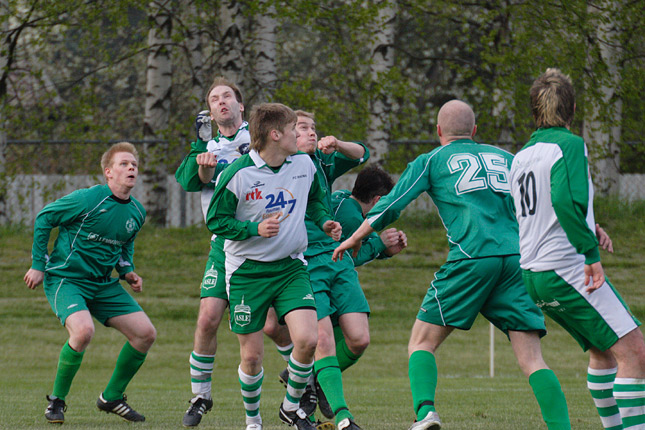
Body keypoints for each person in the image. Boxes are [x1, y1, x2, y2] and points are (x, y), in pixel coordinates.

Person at [333, 100, 572, 430]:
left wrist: (356, 236)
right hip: (517, 261)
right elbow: (543, 203)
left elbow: (391, 204)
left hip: (471, 259)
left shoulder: (432, 159)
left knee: (422, 341)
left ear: (438, 131)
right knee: (532, 359)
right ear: (474, 131)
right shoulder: (506, 158)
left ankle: (426, 413)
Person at [510, 68, 645, 430]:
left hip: (534, 275)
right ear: (571, 109)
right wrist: (591, 254)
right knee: (635, 351)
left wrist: (589, 225)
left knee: (604, 352)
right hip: (565, 268)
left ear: (534, 110)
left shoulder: (522, 156)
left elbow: (533, 211)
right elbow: (564, 200)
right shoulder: (568, 145)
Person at [205, 103, 341, 430]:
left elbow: (315, 201)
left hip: (290, 268)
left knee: (308, 340)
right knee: (251, 358)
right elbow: (215, 220)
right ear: (275, 134)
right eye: (295, 128)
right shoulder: (237, 174)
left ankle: (290, 407)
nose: (300, 134)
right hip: (247, 273)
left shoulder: (304, 165)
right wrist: (255, 229)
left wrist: (324, 222)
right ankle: (253, 422)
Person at [175, 77, 292, 427]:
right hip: (225, 245)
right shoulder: (207, 145)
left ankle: (304, 373)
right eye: (214, 99)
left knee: (271, 325)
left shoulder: (255, 140)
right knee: (208, 318)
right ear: (209, 111)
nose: (221, 102)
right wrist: (200, 155)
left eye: (227, 96)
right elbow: (186, 181)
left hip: (265, 244)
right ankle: (201, 396)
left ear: (241, 106)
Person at [24, 142, 156, 424]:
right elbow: (45, 217)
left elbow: (123, 245)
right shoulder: (88, 199)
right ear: (108, 172)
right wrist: (38, 264)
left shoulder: (137, 212)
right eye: (124, 164)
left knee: (145, 334)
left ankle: (112, 397)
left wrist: (127, 271)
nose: (131, 167)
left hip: (102, 284)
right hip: (66, 279)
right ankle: (56, 402)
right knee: (83, 332)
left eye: (134, 164)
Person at [295, 110, 392, 430]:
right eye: (302, 128)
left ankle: (315, 380)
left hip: (335, 261)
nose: (311, 132)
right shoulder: (280, 168)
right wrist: (380, 246)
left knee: (359, 339)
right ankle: (343, 418)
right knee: (322, 340)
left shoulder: (323, 162)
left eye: (313, 127)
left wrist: (336, 143)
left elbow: (362, 152)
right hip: (305, 263)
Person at [331, 164, 407, 267]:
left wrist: (385, 250)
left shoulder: (342, 195)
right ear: (378, 201)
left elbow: (367, 239)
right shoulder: (353, 219)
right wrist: (380, 243)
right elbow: (347, 260)